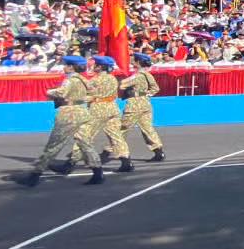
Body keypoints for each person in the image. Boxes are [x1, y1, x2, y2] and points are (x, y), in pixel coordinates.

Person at [17, 56, 101, 187]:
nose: (64, 67)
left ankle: (36, 174)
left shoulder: (69, 80)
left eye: (66, 65)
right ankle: (97, 172)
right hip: (81, 111)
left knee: (54, 145)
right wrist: (81, 99)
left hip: (68, 113)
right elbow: (94, 93)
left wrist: (49, 92)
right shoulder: (83, 79)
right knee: (85, 143)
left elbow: (62, 93)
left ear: (71, 67)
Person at [119, 53, 165, 162]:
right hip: (145, 103)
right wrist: (145, 94)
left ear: (138, 63)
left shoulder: (137, 76)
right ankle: (158, 151)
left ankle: (111, 152)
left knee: (121, 129)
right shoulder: (148, 75)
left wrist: (131, 91)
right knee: (147, 129)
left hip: (134, 104)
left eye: (134, 61)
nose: (133, 62)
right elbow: (155, 88)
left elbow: (122, 84)